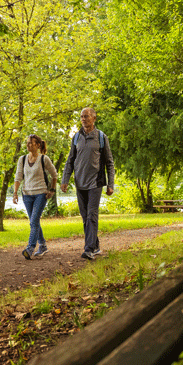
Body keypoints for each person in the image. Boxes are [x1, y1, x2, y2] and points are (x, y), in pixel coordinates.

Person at [61, 107, 115, 260]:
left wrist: (111, 184)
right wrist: (65, 180)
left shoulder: (102, 137)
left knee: (91, 215)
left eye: (86, 116)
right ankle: (96, 245)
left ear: (94, 118)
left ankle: (89, 249)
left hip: (95, 183)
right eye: (81, 117)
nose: (83, 119)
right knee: (85, 217)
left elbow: (109, 162)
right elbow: (70, 161)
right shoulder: (76, 137)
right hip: (80, 183)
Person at [12, 134, 59, 260]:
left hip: (40, 194)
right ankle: (42, 245)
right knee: (35, 221)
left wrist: (52, 190)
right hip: (27, 194)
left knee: (33, 221)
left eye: (31, 143)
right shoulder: (22, 159)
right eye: (27, 142)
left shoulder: (44, 159)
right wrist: (15, 193)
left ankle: (30, 247)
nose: (28, 145)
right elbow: (18, 177)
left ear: (38, 145)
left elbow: (54, 175)